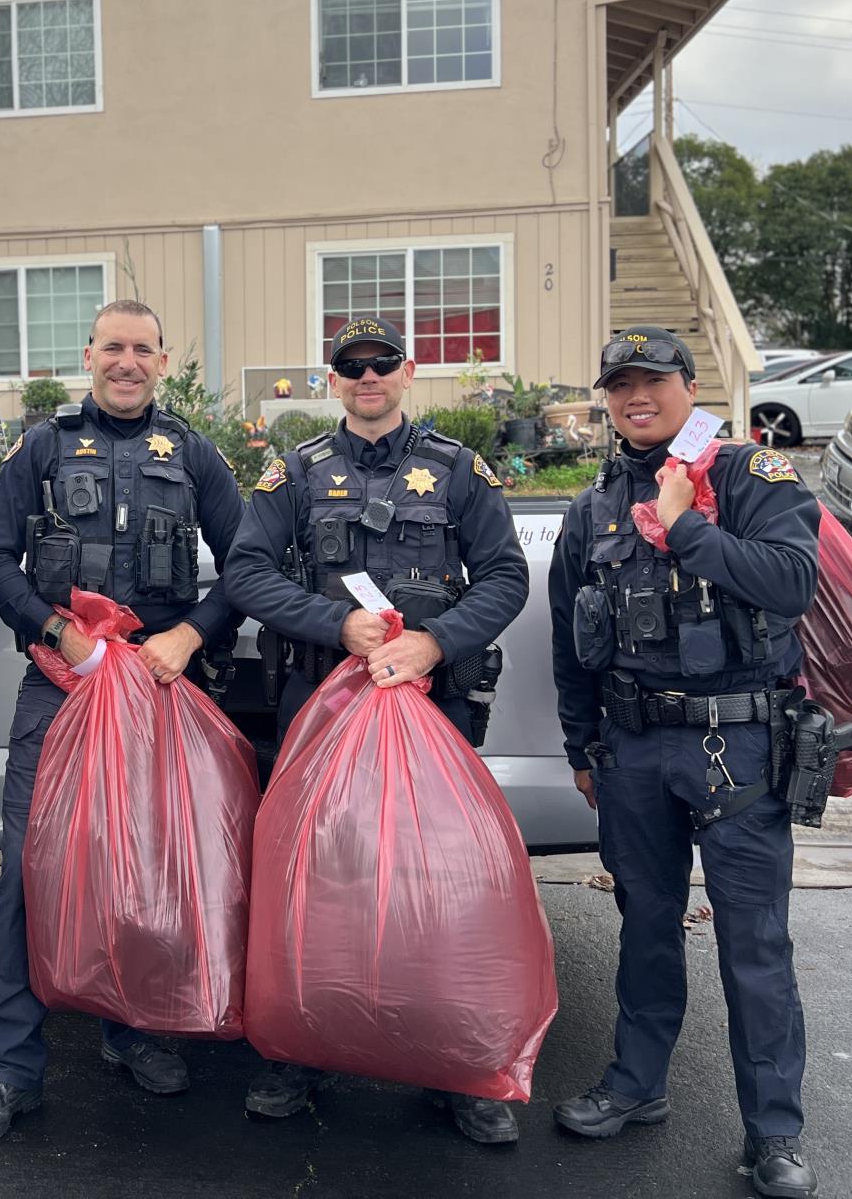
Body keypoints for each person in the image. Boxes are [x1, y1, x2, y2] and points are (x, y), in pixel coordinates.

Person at [219, 315, 529, 1143]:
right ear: (332, 379)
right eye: (350, 366)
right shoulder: (296, 473)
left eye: (380, 363)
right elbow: (246, 570)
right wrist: (331, 622)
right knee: (318, 881)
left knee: (438, 887)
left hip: (432, 711)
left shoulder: (460, 472)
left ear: (408, 372)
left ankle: (458, 1066)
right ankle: (298, 1052)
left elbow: (504, 575)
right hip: (321, 709)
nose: (366, 377)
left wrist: (438, 640)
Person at [0, 299, 246, 1147]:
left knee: (144, 876)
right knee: (27, 877)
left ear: (162, 360)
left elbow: (249, 563)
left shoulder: (192, 454)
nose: (126, 361)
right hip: (61, 689)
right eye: (112, 347)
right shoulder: (40, 446)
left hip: (155, 692)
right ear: (90, 356)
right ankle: (11, 1072)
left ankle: (135, 1030)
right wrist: (55, 632)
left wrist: (190, 635)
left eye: (142, 349)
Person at [547, 328, 820, 1199]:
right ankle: (637, 1084)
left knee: (754, 944)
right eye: (619, 385)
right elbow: (570, 636)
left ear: (688, 387)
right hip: (631, 746)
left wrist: (684, 526)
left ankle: (773, 1132)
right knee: (645, 926)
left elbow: (789, 582)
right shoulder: (592, 506)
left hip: (738, 742)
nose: (635, 397)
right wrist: (578, 741)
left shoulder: (749, 476)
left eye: (652, 382)